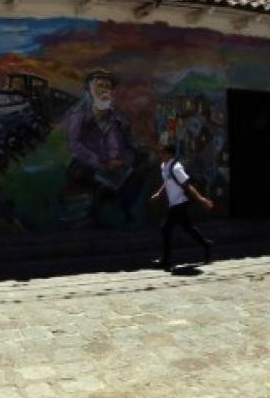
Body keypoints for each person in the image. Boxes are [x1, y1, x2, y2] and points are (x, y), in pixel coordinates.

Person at [65, 68, 144, 223]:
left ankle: (122, 208)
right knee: (86, 174)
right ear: (89, 89)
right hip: (88, 163)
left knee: (140, 167)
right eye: (99, 86)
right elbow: (74, 144)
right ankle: (93, 212)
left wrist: (122, 160)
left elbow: (128, 145)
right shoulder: (78, 114)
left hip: (115, 163)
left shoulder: (118, 119)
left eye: (108, 87)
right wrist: (100, 162)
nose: (104, 91)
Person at [150, 143, 214, 269]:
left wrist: (202, 200)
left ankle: (166, 260)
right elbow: (167, 181)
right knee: (188, 228)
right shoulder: (164, 166)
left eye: (162, 153)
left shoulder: (176, 168)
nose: (160, 155)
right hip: (174, 203)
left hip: (180, 203)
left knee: (165, 228)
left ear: (169, 154)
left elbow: (187, 186)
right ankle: (206, 244)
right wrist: (158, 193)